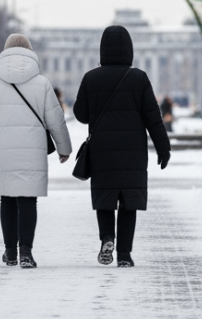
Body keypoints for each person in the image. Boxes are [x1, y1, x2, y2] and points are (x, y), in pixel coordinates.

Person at [0, 34, 72, 269]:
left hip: (1, 151)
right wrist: (64, 148)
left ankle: (10, 252)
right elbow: (56, 120)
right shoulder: (42, 84)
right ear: (31, 54)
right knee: (28, 199)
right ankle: (26, 253)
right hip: (32, 150)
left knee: (7, 199)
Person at [73, 25, 170, 267]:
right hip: (133, 151)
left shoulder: (91, 78)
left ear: (102, 49)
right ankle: (125, 255)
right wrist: (163, 148)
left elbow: (81, 115)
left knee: (105, 197)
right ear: (129, 49)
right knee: (129, 202)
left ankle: (107, 238)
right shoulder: (139, 78)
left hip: (102, 151)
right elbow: (153, 117)